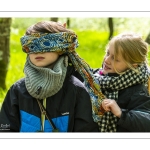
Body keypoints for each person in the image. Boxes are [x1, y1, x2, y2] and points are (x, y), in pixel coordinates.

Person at [0, 21, 99, 132]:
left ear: (61, 48)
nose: (37, 51)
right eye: (31, 45)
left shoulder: (77, 90)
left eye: (45, 44)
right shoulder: (17, 90)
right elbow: (5, 129)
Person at [93, 32, 150, 132]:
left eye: (115, 58)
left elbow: (146, 122)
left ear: (133, 65)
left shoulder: (138, 90)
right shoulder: (96, 77)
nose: (107, 60)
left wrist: (121, 113)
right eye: (107, 53)